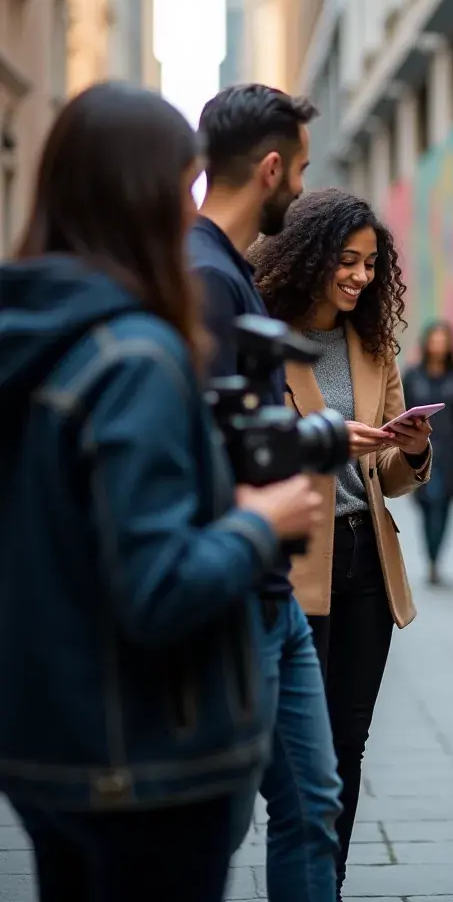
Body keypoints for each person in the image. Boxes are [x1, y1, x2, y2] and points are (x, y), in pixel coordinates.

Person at [0, 82, 322, 902]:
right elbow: (158, 585)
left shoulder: (35, 335)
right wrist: (258, 520)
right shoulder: (134, 356)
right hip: (146, 760)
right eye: (185, 186)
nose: (195, 209)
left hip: (48, 752)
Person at [251, 188, 432, 898]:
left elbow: (386, 472)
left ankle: (330, 880)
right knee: (306, 754)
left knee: (347, 743)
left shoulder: (373, 345)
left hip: (366, 561)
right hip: (299, 563)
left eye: (370, 263)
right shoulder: (264, 340)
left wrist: (411, 449)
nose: (359, 276)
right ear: (309, 257)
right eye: (346, 262)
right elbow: (254, 453)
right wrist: (319, 443)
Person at [187, 84, 342, 902]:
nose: (302, 189)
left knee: (312, 802)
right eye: (302, 171)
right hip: (241, 596)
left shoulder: (226, 272)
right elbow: (207, 451)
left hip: (272, 599)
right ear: (272, 168)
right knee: (221, 821)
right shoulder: (204, 277)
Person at [403, 321, 453, 584]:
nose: (438, 344)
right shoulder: (412, 375)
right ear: (426, 342)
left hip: (450, 452)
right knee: (426, 504)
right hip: (420, 450)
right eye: (434, 339)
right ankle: (431, 555)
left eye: (443, 339)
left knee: (443, 504)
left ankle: (435, 558)